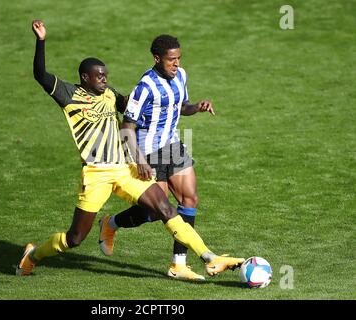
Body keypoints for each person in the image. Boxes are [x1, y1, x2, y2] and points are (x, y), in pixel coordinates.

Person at [16, 20, 245, 277]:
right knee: (76, 237)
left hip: (123, 169)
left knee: (165, 209)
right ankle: (33, 255)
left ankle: (209, 257)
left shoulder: (110, 95)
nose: (104, 80)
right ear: (85, 78)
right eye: (99, 76)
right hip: (96, 174)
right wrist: (41, 40)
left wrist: (177, 115)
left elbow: (139, 112)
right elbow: (40, 75)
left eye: (106, 75)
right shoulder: (69, 95)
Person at [98, 35, 216, 281]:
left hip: (172, 145)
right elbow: (127, 126)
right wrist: (139, 159)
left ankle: (178, 265)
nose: (176, 64)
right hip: (147, 152)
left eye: (178, 58)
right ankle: (110, 224)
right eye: (171, 59)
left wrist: (197, 107)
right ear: (157, 58)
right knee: (154, 212)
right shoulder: (145, 87)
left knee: (189, 198)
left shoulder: (181, 75)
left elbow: (181, 106)